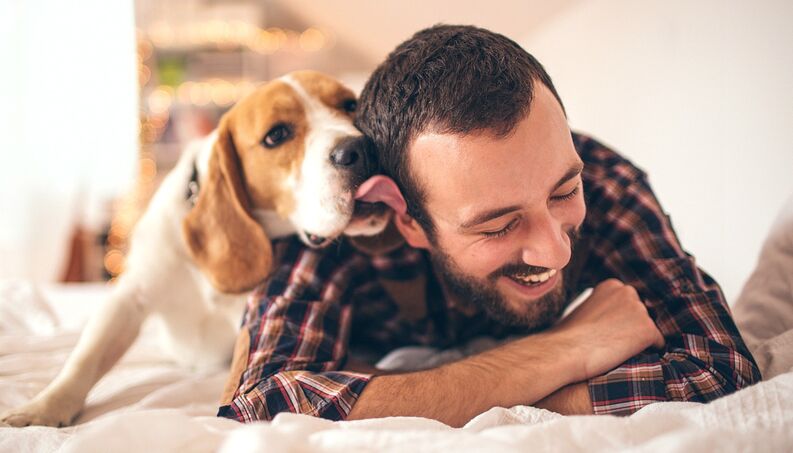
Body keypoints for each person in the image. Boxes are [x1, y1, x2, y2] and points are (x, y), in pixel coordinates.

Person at [217, 25, 760, 427]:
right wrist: (565, 349)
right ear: (406, 219)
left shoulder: (605, 179)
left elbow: (718, 370)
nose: (555, 252)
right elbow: (261, 407)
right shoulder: (343, 218)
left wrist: (411, 398)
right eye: (497, 226)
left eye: (564, 192)